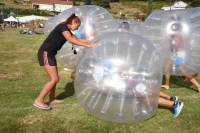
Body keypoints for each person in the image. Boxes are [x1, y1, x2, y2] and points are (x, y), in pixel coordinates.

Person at [33, 14, 96, 110]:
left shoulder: (66, 29)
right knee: (54, 79)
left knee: (54, 79)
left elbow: (77, 39)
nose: (78, 28)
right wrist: (89, 46)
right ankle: (39, 100)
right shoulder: (62, 26)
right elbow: (71, 40)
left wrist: (92, 41)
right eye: (77, 26)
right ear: (74, 22)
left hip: (50, 54)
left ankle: (52, 99)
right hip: (46, 53)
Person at [162, 24, 200, 93]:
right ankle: (167, 84)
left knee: (183, 70)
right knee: (167, 67)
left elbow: (176, 45)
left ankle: (198, 86)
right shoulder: (177, 34)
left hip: (177, 54)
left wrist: (171, 43)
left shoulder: (177, 35)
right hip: (176, 54)